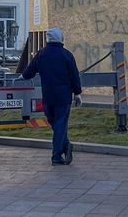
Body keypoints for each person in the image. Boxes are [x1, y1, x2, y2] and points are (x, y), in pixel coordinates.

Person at [21, 27, 82, 165]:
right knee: (60, 124)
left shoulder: (41, 54)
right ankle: (58, 154)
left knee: (55, 124)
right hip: (64, 97)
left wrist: (22, 76)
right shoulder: (67, 55)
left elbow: (28, 72)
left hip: (47, 96)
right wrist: (77, 93)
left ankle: (64, 147)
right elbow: (74, 76)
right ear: (61, 39)